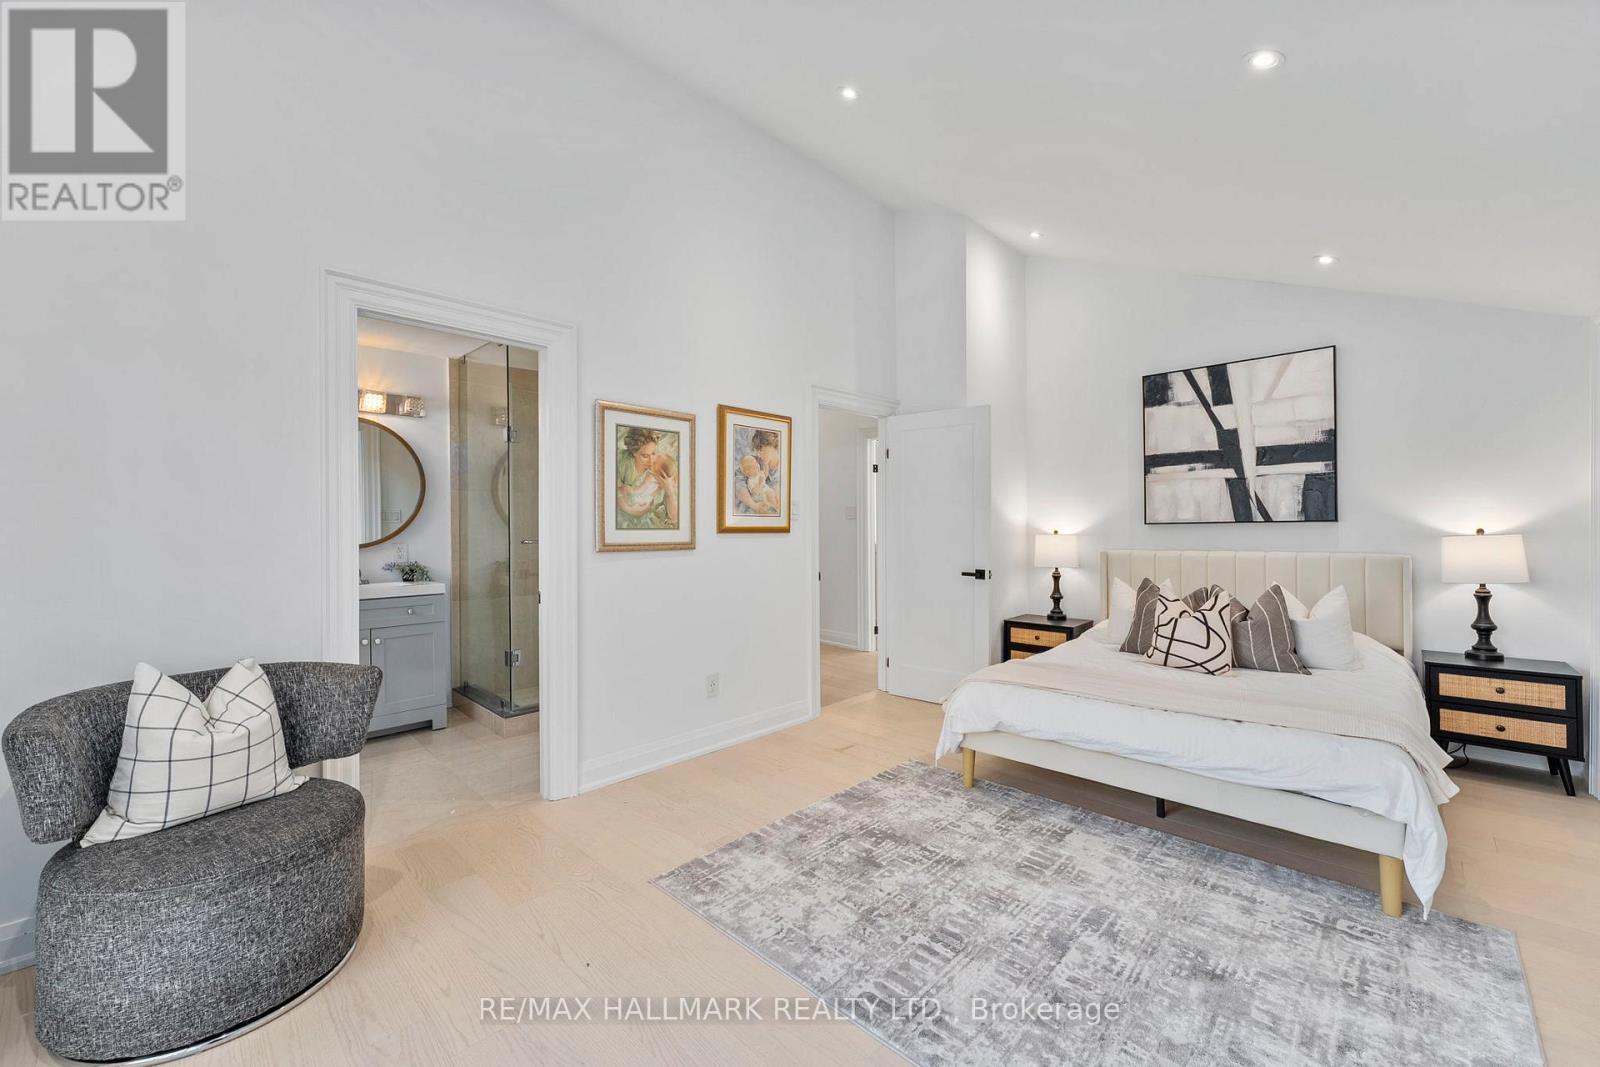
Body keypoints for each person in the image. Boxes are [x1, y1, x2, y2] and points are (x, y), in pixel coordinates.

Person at [615, 426, 678, 528]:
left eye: (653, 453)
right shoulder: (623, 462)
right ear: (634, 453)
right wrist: (629, 509)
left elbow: (674, 518)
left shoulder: (659, 475)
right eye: (645, 456)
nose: (651, 461)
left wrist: (669, 492)